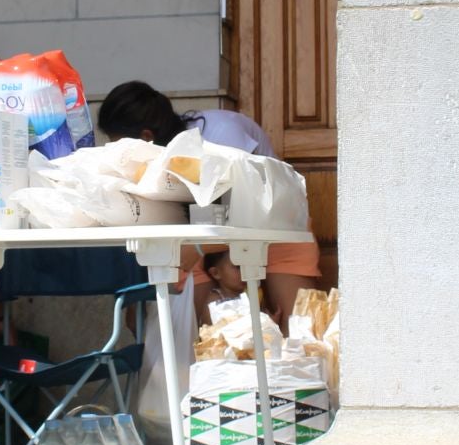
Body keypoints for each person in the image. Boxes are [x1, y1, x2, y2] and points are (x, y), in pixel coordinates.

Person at [96, 80, 324, 328]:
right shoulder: (159, 158)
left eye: (119, 144)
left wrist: (200, 249)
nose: (118, 154)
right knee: (207, 334)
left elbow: (251, 206)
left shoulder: (222, 135)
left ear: (146, 137)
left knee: (301, 333)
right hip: (208, 241)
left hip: (278, 228)